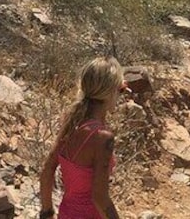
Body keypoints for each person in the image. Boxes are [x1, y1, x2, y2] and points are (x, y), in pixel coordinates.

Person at [39, 57, 126, 219]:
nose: (120, 96)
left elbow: (47, 170)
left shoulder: (73, 123)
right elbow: (100, 198)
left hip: (66, 213)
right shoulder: (102, 138)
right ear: (110, 92)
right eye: (120, 89)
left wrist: (46, 212)